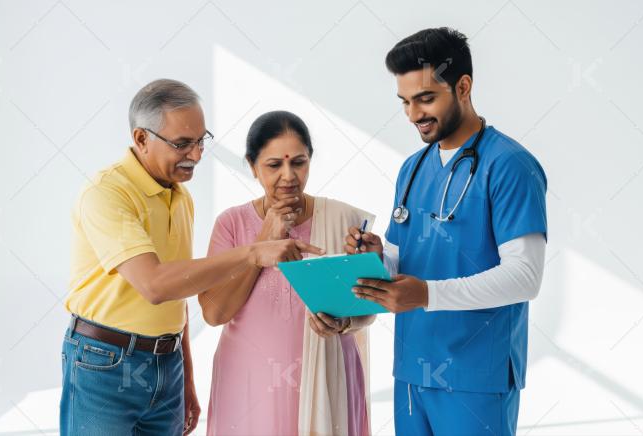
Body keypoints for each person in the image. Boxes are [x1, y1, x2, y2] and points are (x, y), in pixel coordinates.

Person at [60, 80, 322, 435]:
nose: (197, 155)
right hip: (105, 363)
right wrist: (254, 252)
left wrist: (185, 379)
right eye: (182, 144)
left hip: (167, 364)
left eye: (201, 141)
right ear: (141, 139)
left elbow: (179, 295)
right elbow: (155, 285)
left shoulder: (181, 198)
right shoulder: (106, 194)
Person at [345, 28, 548, 435]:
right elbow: (404, 261)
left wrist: (427, 294)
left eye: (425, 98)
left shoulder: (509, 166)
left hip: (477, 376)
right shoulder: (413, 168)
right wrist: (374, 256)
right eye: (405, 102)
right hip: (412, 368)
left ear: (463, 86)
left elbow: (526, 277)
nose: (413, 114)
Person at [200, 110, 374, 435]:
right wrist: (263, 241)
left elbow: (366, 309)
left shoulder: (342, 219)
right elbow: (213, 312)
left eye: (299, 162)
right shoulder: (231, 224)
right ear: (252, 166)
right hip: (248, 379)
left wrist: (344, 322)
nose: (288, 175)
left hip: (327, 375)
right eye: (274, 165)